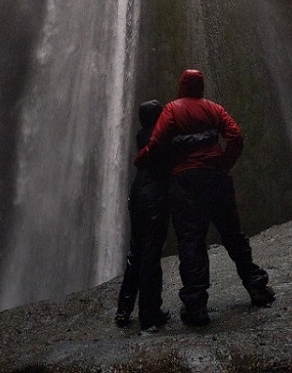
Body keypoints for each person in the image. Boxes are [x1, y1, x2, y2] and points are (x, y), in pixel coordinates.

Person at [136, 69, 274, 326]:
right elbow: (236, 136)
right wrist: (224, 162)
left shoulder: (172, 109)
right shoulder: (214, 109)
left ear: (181, 86)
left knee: (191, 242)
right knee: (233, 235)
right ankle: (257, 286)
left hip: (186, 182)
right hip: (216, 178)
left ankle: (196, 306)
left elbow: (156, 143)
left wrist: (141, 157)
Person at [115, 99, 172, 331]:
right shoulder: (161, 140)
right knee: (150, 255)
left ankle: (123, 309)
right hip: (154, 198)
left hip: (137, 193)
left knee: (135, 253)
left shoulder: (141, 138)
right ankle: (150, 313)